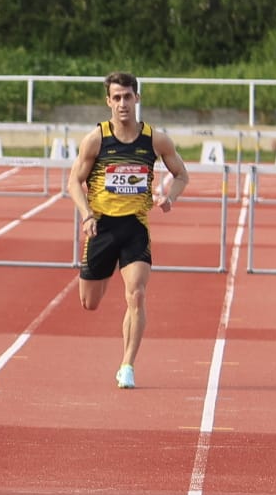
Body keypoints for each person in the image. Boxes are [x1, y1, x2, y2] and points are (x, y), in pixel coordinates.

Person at [64, 71, 189, 389]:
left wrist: (170, 197)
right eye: (116, 97)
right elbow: (74, 182)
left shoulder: (155, 139)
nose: (122, 103)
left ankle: (127, 365)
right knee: (90, 302)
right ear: (108, 101)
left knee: (137, 294)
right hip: (101, 228)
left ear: (137, 99)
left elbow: (181, 174)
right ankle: (104, 273)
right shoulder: (96, 139)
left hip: (135, 226)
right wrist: (86, 215)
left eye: (128, 96)